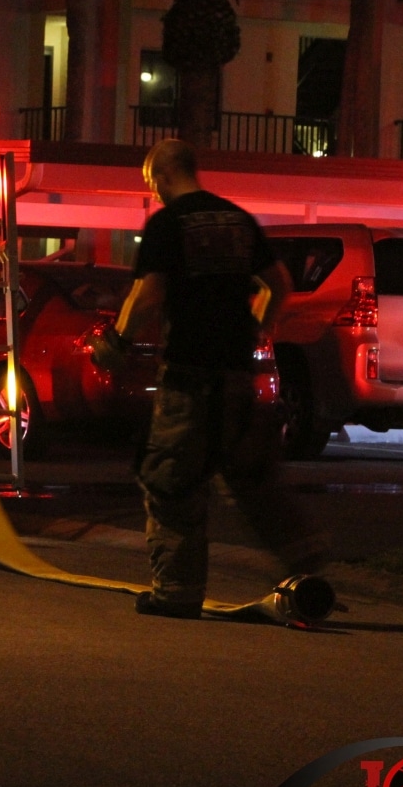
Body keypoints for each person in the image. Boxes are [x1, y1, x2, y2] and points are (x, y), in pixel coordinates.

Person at [95, 139, 327, 618]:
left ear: (160, 176)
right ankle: (307, 569)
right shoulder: (239, 220)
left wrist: (118, 340)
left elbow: (149, 292)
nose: (154, 194)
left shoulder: (168, 224)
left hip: (187, 377)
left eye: (150, 184)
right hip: (237, 379)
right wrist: (257, 328)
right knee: (254, 482)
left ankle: (177, 592)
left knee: (172, 481)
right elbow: (278, 283)